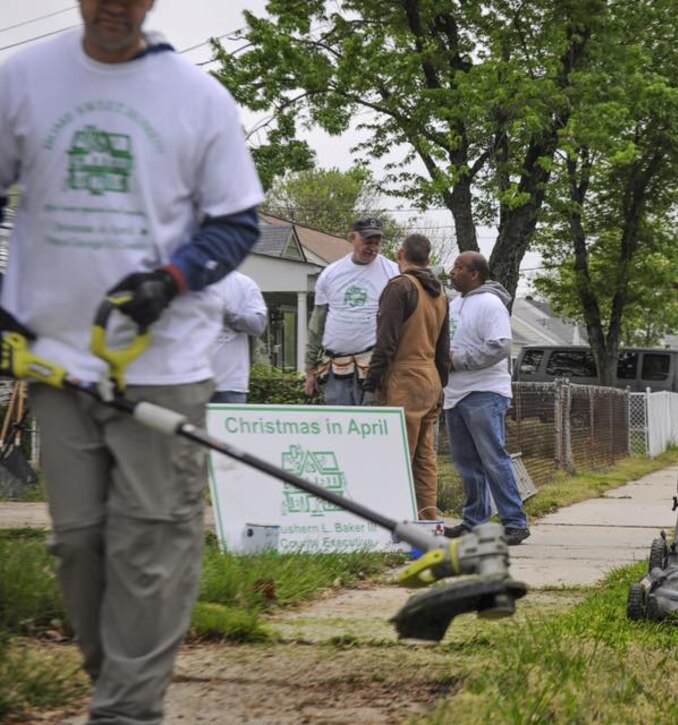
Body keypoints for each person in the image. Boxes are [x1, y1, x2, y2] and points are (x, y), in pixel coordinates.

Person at [0, 1, 264, 722]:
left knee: (151, 542)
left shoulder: (196, 97)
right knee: (79, 541)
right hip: (56, 360)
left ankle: (125, 709)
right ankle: (117, 687)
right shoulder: (22, 78)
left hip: (165, 360)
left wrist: (171, 279)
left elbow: (238, 219)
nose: (113, 3)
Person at [442, 252, 530, 545]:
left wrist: (459, 360)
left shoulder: (490, 303)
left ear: (475, 274)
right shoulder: (455, 304)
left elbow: (501, 346)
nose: (453, 272)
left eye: (459, 268)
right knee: (466, 462)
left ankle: (514, 523)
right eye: (454, 267)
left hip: (484, 392)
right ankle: (475, 522)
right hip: (455, 394)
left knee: (493, 459)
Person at [364, 234, 450, 520]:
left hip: (405, 377)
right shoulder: (440, 294)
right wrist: (441, 385)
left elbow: (386, 341)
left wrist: (372, 383)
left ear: (400, 254)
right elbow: (444, 349)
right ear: (429, 259)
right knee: (424, 457)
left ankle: (395, 523)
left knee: (398, 455)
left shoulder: (399, 287)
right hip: (431, 379)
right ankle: (428, 519)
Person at [303, 216, 399, 404]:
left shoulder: (394, 273)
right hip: (336, 367)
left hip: (375, 369)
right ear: (352, 238)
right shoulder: (331, 273)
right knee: (337, 427)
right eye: (367, 241)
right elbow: (317, 324)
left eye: (376, 242)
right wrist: (309, 369)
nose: (372, 247)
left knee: (371, 428)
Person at [207, 270, 268, 404]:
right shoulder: (183, 280)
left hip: (229, 386)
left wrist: (227, 315)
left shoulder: (242, 283)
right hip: (186, 383)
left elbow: (258, 325)